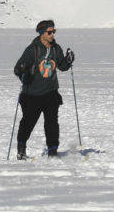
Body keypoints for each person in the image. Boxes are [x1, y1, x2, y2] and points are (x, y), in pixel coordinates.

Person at [13, 19, 74, 159]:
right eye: (49, 32)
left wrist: (68, 60)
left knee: (52, 123)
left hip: (51, 92)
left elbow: (62, 66)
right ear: (42, 33)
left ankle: (53, 150)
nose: (52, 34)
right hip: (32, 94)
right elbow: (17, 69)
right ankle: (21, 148)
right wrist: (24, 74)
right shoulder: (32, 50)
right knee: (28, 122)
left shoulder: (55, 48)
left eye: (54, 31)